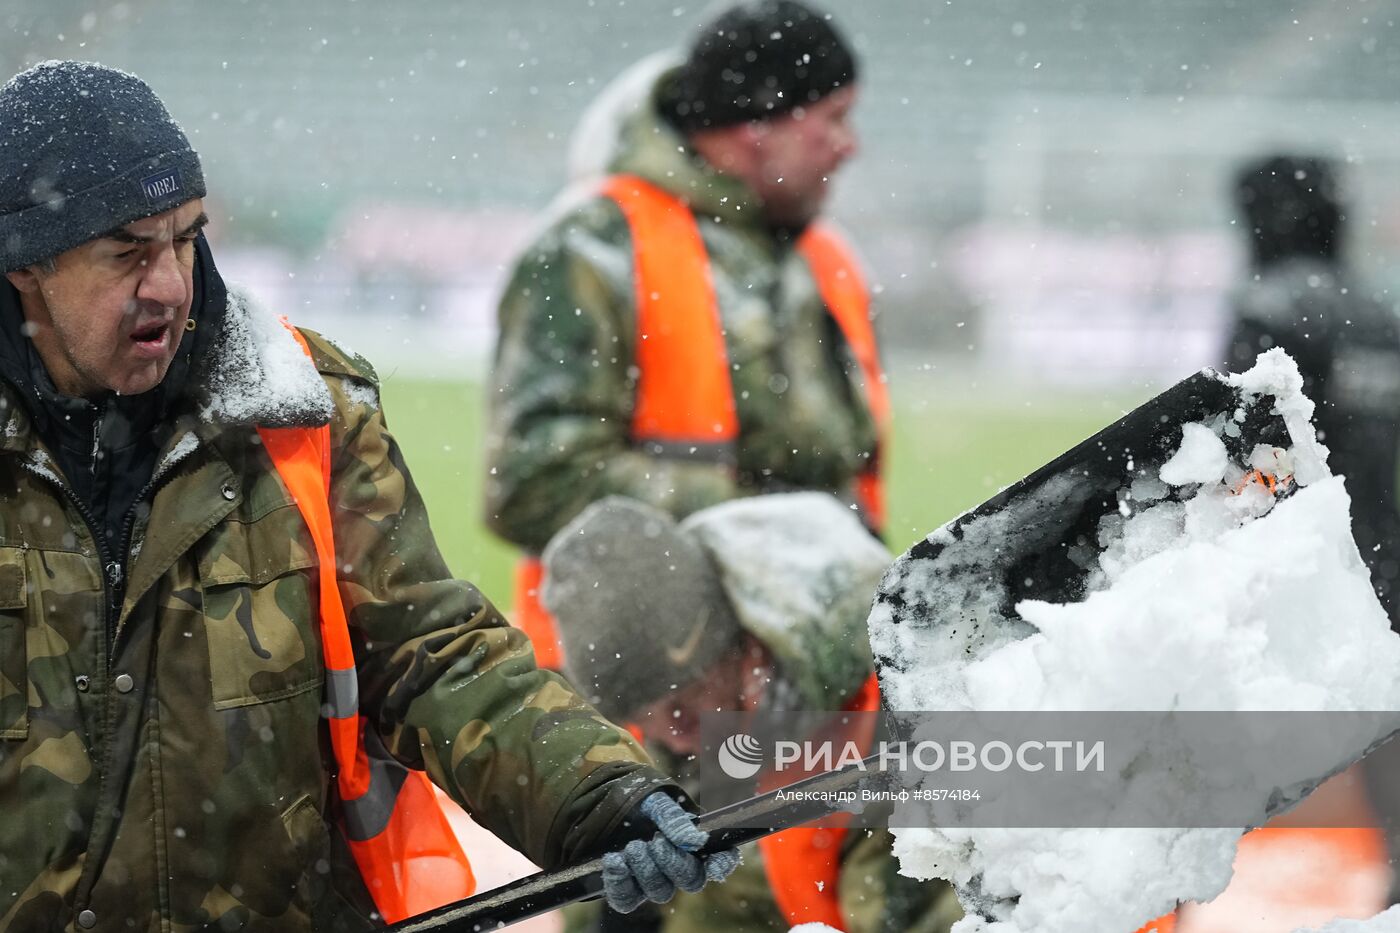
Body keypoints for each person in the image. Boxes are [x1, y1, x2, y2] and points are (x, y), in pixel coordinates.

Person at [0, 61, 736, 931]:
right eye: (126, 251)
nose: (169, 282)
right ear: (27, 267)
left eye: (185, 238)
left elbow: (432, 649)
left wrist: (597, 792)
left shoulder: (301, 411)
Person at [485, 0, 890, 669]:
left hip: (799, 698)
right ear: (758, 124)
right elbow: (533, 483)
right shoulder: (593, 247)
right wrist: (773, 528)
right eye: (834, 119)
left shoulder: (828, 261)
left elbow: (852, 478)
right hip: (625, 715)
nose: (851, 145)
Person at [542, 492, 962, 932]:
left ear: (735, 647)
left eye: (683, 709)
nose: (676, 738)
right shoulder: (712, 727)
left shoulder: (904, 725)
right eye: (646, 723)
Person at [1224, 153, 1400, 625]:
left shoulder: (1270, 310)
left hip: (1299, 566)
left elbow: (1252, 453)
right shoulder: (1379, 315)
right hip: (1382, 559)